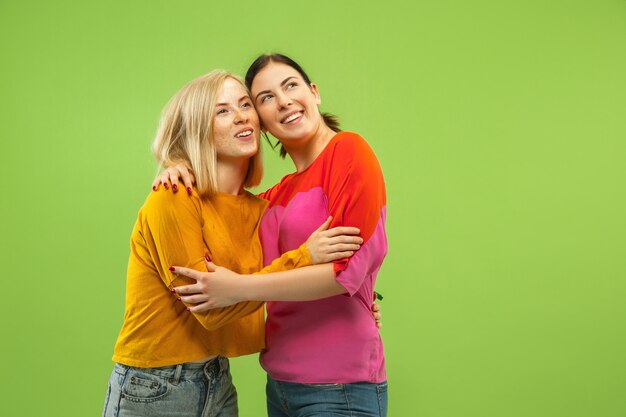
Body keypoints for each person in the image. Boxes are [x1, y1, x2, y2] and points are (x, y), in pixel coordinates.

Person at [103, 70, 367, 417]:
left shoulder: (261, 210)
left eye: (245, 104)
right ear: (198, 127)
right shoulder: (173, 197)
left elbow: (280, 279)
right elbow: (211, 308)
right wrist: (304, 257)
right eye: (222, 110)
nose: (242, 115)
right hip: (155, 387)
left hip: (218, 380)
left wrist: (363, 302)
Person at [161, 54, 388, 417]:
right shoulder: (270, 199)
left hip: (341, 385)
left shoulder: (348, 151)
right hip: (280, 384)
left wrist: (238, 288)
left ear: (314, 93)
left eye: (291, 85)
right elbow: (220, 236)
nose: (283, 101)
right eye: (265, 98)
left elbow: (346, 273)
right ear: (260, 123)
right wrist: (178, 164)